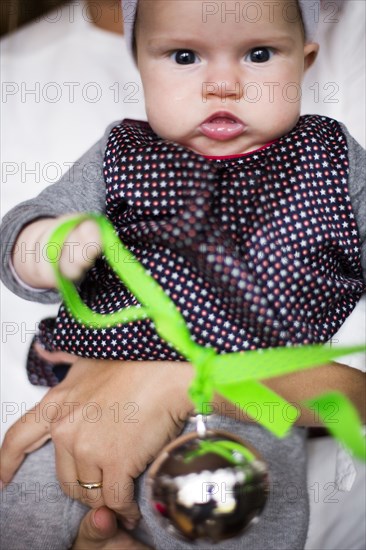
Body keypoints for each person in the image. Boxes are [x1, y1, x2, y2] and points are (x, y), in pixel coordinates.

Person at [1, 1, 365, 549]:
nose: (223, 84)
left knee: (243, 524)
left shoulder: (331, 160)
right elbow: (24, 227)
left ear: (304, 63)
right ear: (140, 66)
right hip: (82, 418)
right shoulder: (121, 154)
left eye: (259, 55)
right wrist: (48, 245)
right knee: (26, 517)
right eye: (185, 56)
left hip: (254, 406)